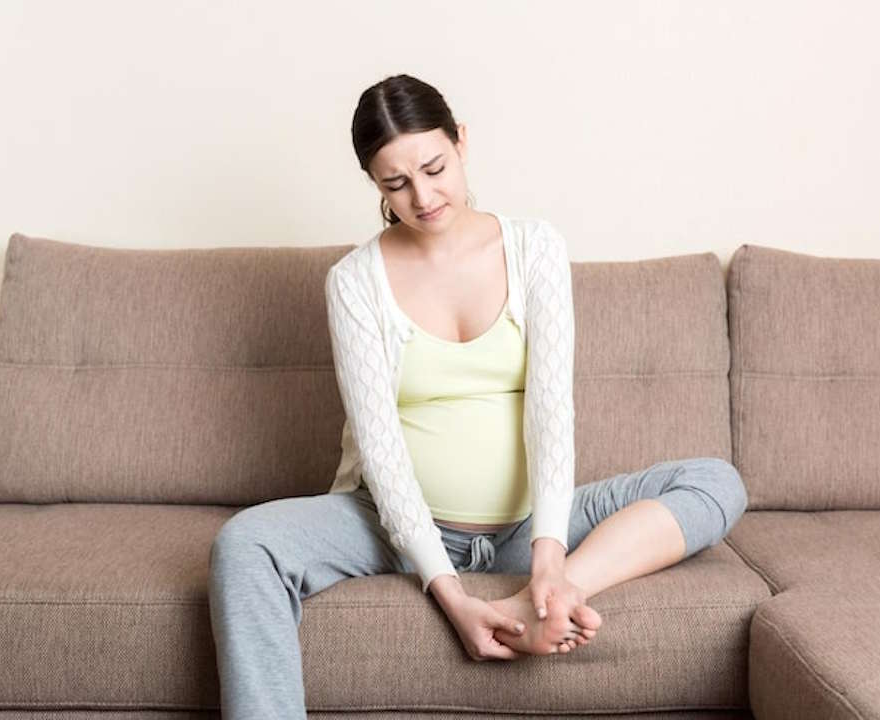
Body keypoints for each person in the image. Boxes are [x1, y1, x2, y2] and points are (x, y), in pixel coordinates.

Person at [207, 73, 748, 719]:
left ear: (461, 141)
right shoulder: (354, 281)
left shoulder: (534, 248)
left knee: (715, 482)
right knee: (246, 544)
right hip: (387, 527)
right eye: (395, 184)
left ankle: (542, 599)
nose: (423, 197)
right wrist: (451, 594)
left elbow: (551, 412)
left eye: (434, 168)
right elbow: (380, 449)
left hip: (525, 527)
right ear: (373, 183)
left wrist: (550, 567)